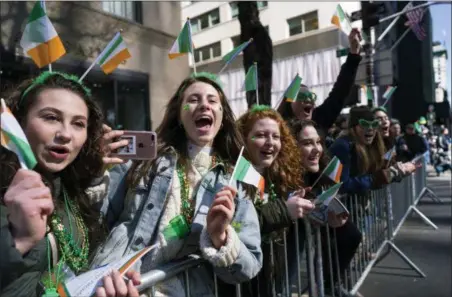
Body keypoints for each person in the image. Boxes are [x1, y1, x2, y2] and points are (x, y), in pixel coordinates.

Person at [89, 72, 263, 297]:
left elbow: (249, 265)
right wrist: (94, 171)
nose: (204, 105)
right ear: (179, 116)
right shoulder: (144, 161)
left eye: (212, 101)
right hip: (118, 286)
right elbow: (96, 217)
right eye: (193, 100)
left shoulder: (234, 183)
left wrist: (220, 237)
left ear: (222, 117)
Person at [0, 71, 139, 297]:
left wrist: (105, 284)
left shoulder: (72, 192)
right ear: (19, 121)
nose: (65, 134)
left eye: (78, 124)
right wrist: (19, 240)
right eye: (51, 117)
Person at [231, 105, 313, 297]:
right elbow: (234, 226)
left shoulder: (277, 174)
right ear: (243, 138)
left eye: (276, 137)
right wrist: (283, 210)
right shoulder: (231, 175)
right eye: (260, 135)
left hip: (272, 277)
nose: (270, 143)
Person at [290, 119, 362, 296]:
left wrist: (325, 214)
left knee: (350, 234)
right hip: (281, 254)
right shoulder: (283, 175)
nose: (317, 149)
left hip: (297, 250)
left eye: (318, 142)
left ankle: (328, 287)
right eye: (307, 143)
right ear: (290, 147)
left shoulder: (319, 171)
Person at [277, 29, 362, 138]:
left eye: (311, 96)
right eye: (301, 95)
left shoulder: (319, 120)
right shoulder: (277, 130)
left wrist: (354, 55)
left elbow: (340, 92)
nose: (308, 100)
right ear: (289, 102)